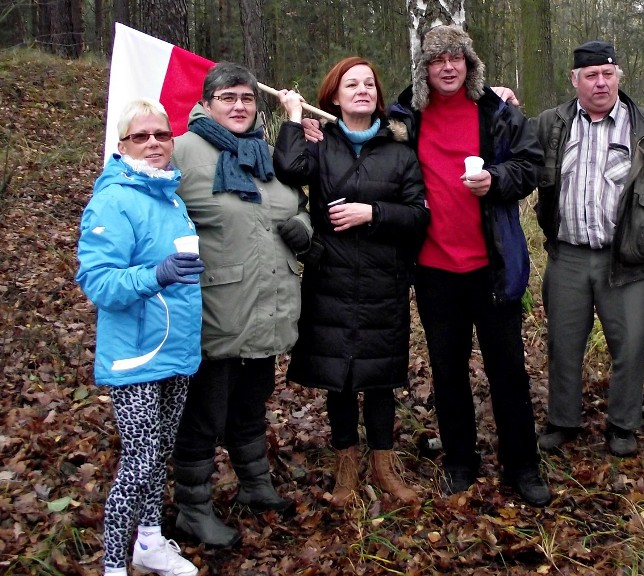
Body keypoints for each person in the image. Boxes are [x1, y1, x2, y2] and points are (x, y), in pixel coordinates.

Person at [387, 25, 551, 507]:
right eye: (438, 60)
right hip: (434, 268)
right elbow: (365, 146)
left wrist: (497, 179)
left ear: (470, 64)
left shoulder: (496, 113)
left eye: (457, 58)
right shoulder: (405, 118)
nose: (448, 67)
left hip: (492, 266)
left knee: (508, 370)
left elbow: (531, 164)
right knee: (447, 370)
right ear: (425, 68)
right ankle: (460, 461)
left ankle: (523, 465)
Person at [274, 56, 429, 507]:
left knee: (380, 378)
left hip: (384, 280)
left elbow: (420, 214)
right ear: (335, 96)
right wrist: (293, 118)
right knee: (338, 378)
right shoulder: (320, 144)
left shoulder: (399, 151)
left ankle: (383, 467)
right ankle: (345, 469)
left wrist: (373, 213)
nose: (362, 90)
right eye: (351, 85)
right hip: (331, 279)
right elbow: (288, 169)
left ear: (378, 97)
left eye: (368, 85)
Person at [170, 62, 311, 547]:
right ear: (207, 104)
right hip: (213, 311)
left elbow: (297, 207)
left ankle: (255, 486)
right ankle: (193, 508)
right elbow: (151, 212)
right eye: (227, 97)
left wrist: (305, 230)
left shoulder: (264, 152)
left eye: (247, 98)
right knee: (204, 415)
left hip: (268, 306)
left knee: (252, 403)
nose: (239, 106)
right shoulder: (183, 152)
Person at [533, 41, 644, 456]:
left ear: (619, 75)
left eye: (607, 73)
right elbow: (517, 159)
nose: (600, 83)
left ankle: (623, 424)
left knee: (630, 344)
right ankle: (562, 420)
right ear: (575, 80)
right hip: (566, 256)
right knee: (563, 344)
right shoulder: (552, 124)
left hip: (626, 260)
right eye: (590, 75)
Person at [77, 98, 204, 576]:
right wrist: (158, 274)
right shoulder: (113, 198)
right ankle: (113, 565)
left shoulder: (168, 194)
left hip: (174, 348)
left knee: (159, 454)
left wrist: (181, 271)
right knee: (141, 457)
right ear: (123, 144)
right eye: (141, 136)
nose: (154, 143)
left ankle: (149, 541)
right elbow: (99, 283)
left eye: (162, 135)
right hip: (135, 354)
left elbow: (173, 271)